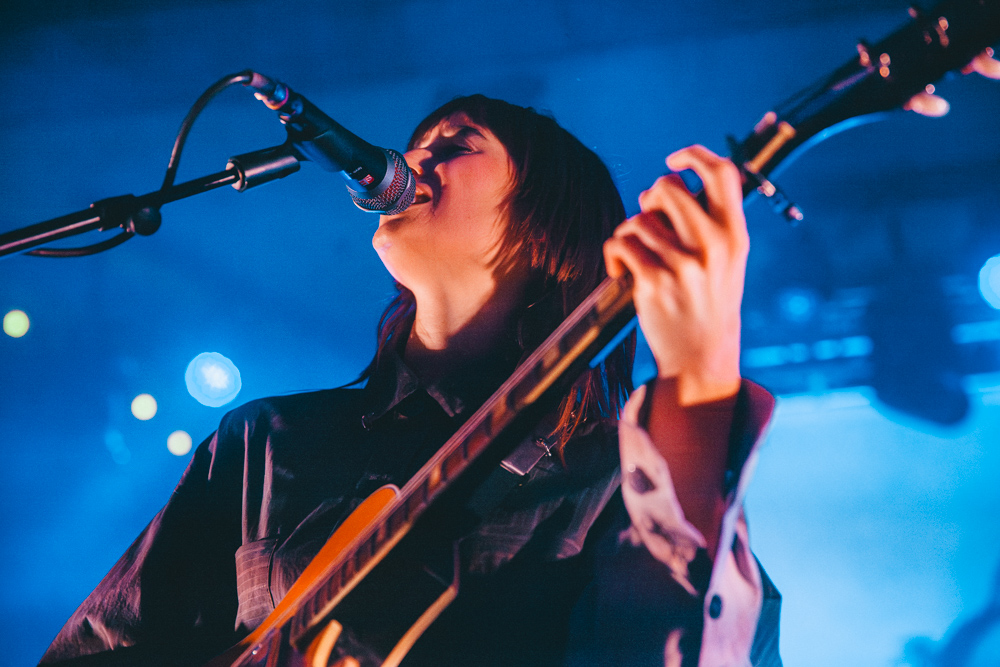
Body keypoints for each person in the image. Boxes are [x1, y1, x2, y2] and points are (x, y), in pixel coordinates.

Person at [38, 95, 781, 667]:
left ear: (544, 227)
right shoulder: (270, 439)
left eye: (455, 146)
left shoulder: (618, 476)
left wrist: (701, 379)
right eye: (418, 143)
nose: (412, 159)